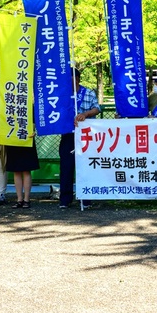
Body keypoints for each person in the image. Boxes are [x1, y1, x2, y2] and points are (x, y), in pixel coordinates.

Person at [59, 69, 101, 209]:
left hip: (86, 135)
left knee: (86, 165)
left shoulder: (88, 92)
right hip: (68, 134)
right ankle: (65, 199)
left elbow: (97, 108)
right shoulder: (63, 94)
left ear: (77, 79)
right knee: (66, 166)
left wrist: (85, 114)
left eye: (69, 78)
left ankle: (86, 199)